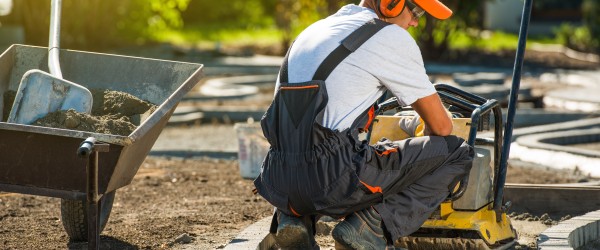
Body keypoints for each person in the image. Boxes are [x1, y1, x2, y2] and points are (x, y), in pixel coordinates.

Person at [253, 0, 474, 248]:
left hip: (277, 177)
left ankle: (293, 218)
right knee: (457, 152)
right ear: (391, 3)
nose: (415, 21)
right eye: (416, 11)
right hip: (333, 179)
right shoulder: (388, 36)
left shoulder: (314, 31)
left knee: (316, 147)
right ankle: (370, 226)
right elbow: (441, 128)